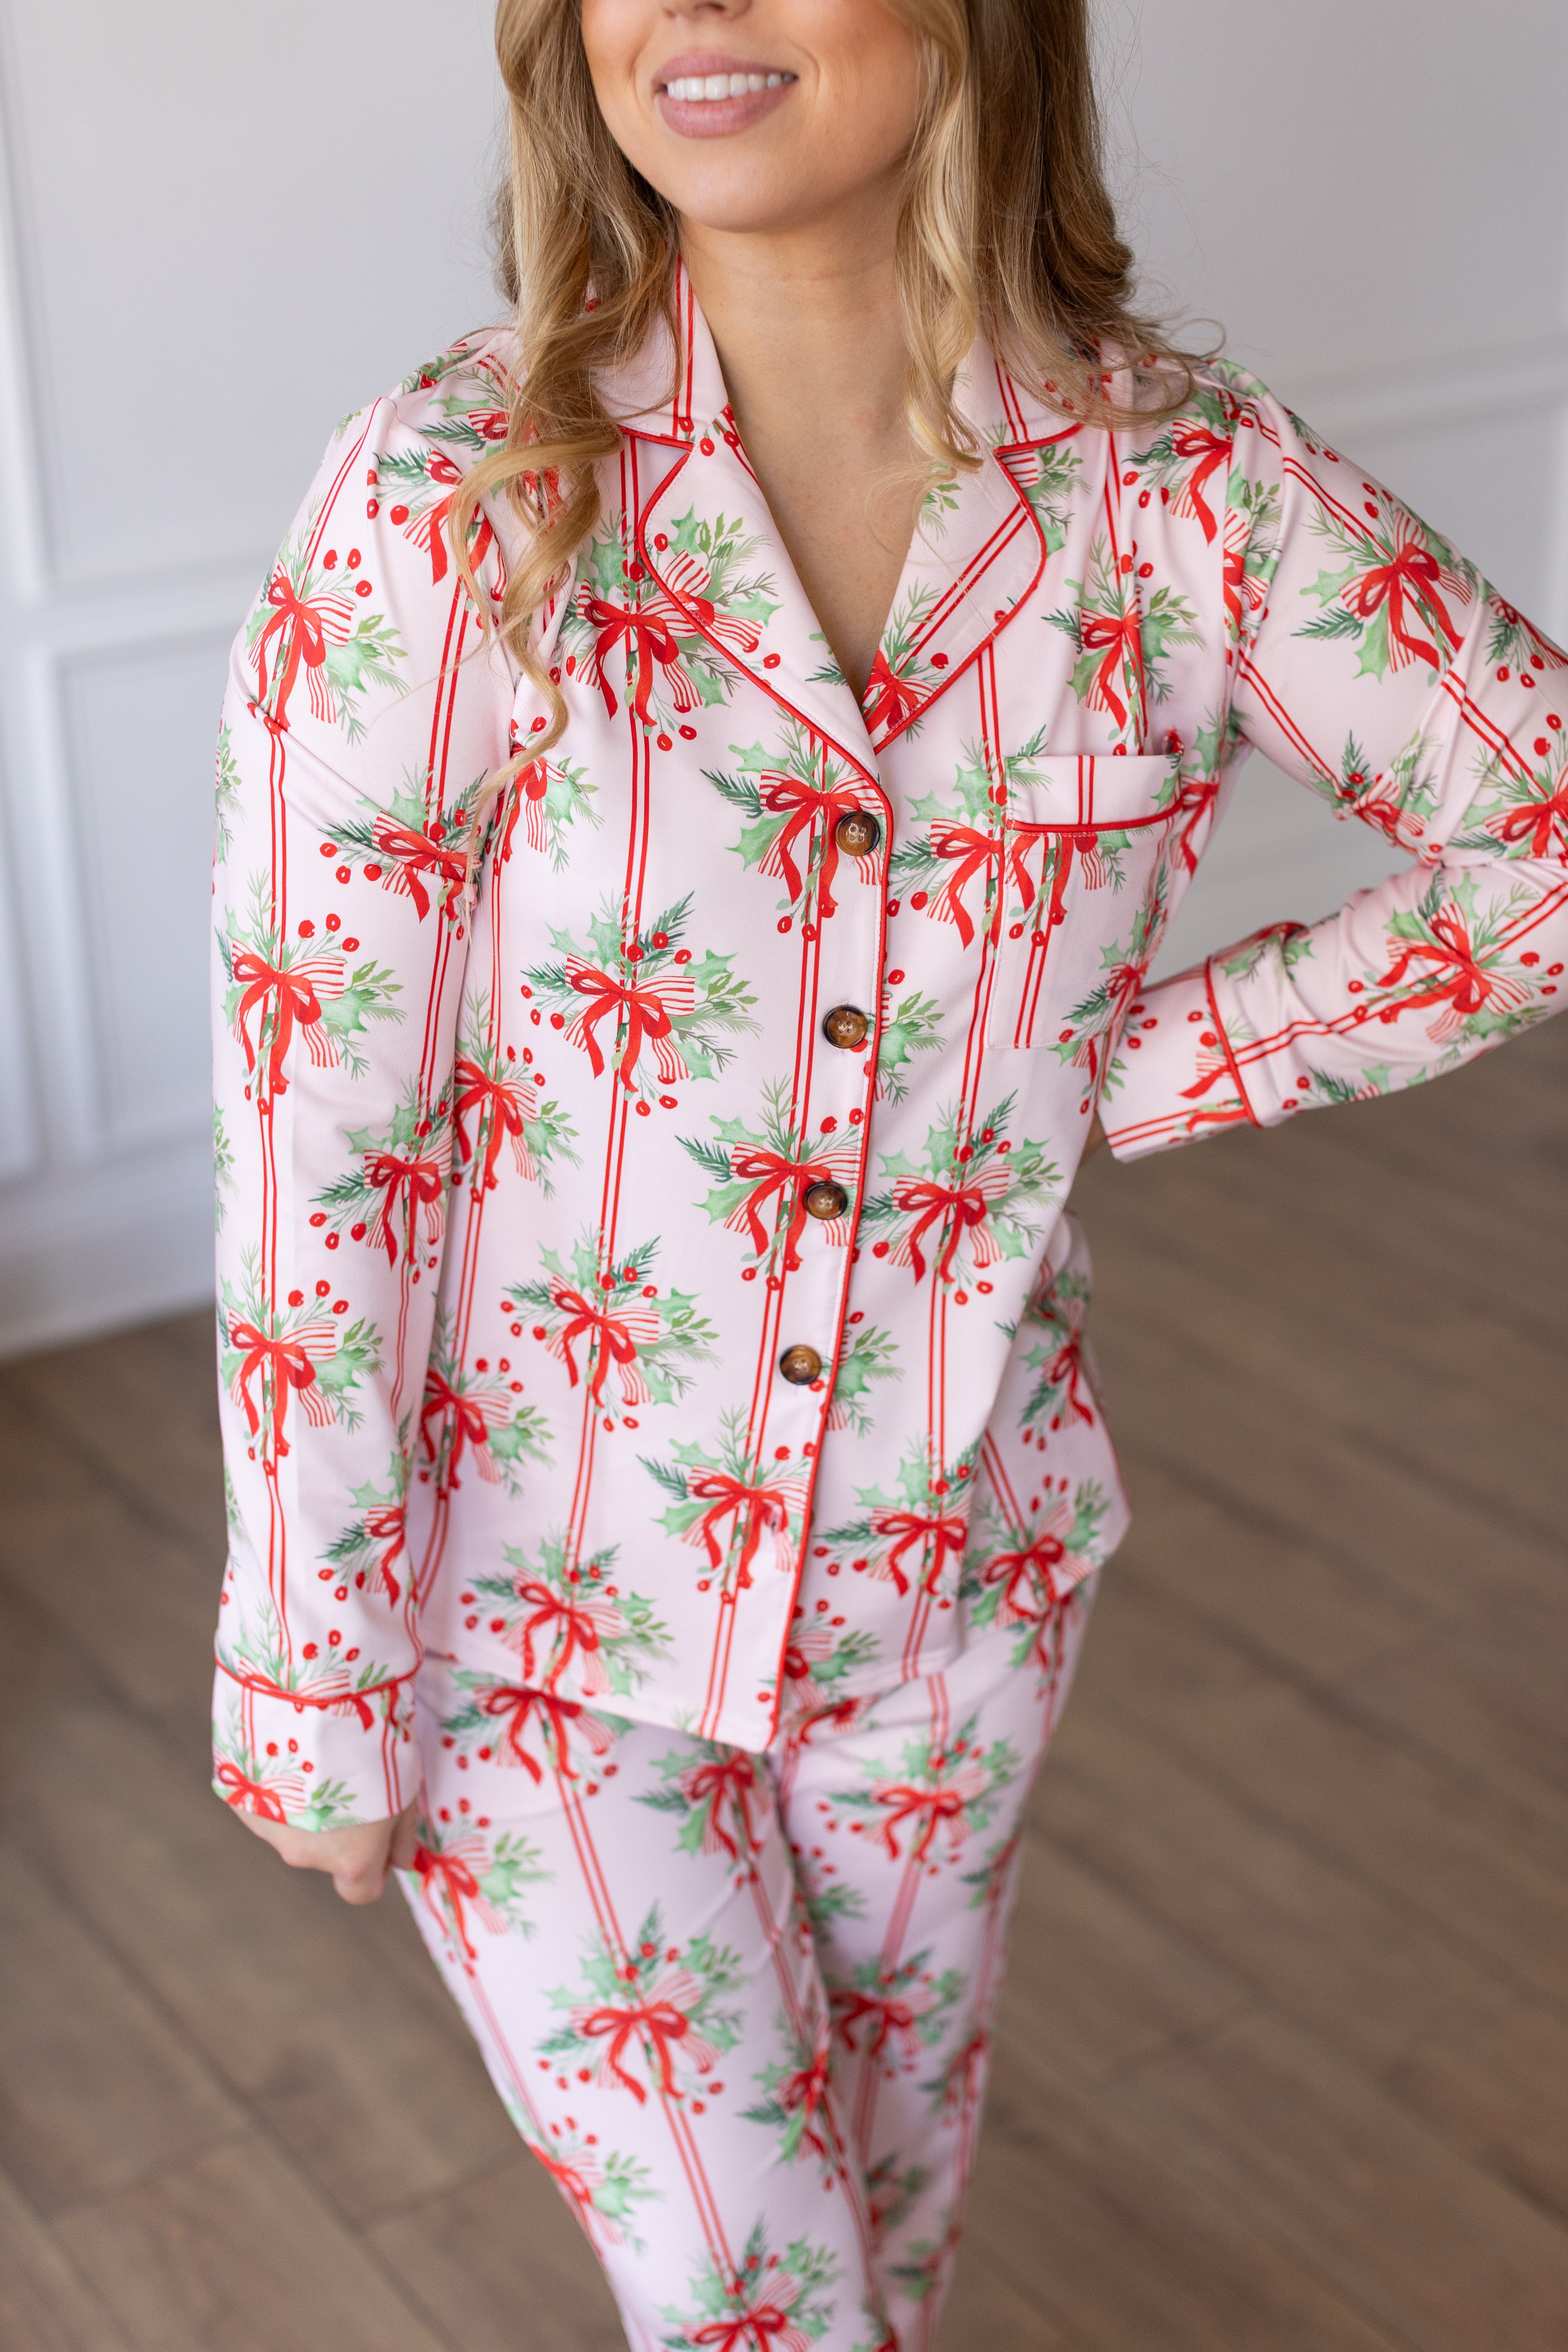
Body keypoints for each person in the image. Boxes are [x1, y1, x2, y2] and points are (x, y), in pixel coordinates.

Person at [208, 0, 1568, 2342]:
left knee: (884, 2232)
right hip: (530, 1623)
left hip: (957, 1591)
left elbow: (1535, 836)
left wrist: (1114, 1073)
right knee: (770, 2306)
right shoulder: (456, 498)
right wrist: (313, 1664)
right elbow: (324, 1111)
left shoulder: (1188, 497)